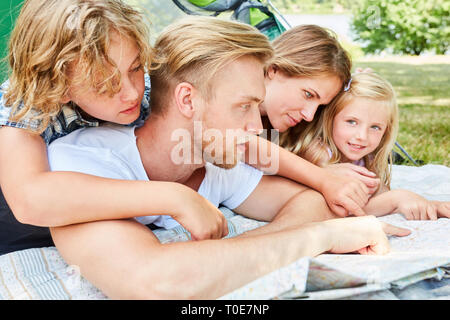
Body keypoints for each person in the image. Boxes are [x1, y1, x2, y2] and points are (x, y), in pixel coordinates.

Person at [47, 17, 410, 299]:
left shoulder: (213, 159)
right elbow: (154, 283)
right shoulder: (83, 162)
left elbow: (309, 201)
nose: (258, 128)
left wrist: (237, 256)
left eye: (257, 106)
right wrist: (321, 237)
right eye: (244, 107)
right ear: (187, 100)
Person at [0, 0, 228, 256]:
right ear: (60, 85)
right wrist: (174, 197)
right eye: (104, 84)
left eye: (135, 67)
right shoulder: (24, 103)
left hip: (107, 224)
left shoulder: (145, 91)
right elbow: (30, 199)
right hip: (18, 238)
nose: (132, 93)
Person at [290, 72, 450, 220]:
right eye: (351, 122)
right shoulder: (319, 153)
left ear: (386, 131)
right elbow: (340, 211)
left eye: (375, 127)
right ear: (330, 119)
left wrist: (429, 205)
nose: (362, 136)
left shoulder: (368, 159)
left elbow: (381, 198)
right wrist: (396, 199)